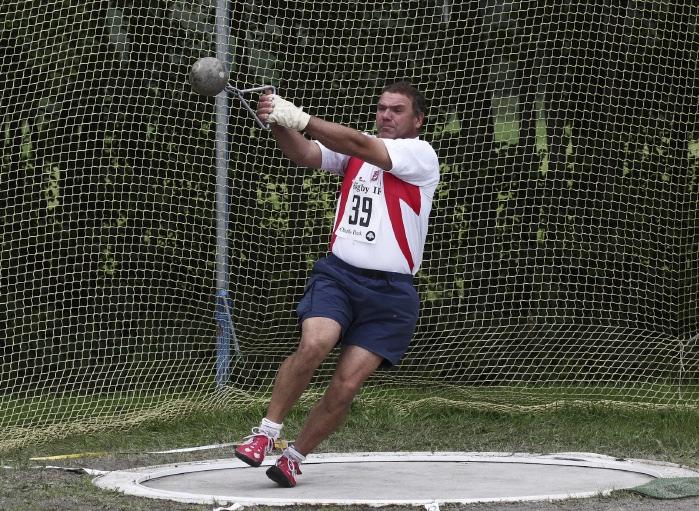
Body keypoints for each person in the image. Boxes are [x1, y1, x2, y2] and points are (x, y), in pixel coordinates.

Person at [234, 81, 440, 487]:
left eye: (397, 110)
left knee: (345, 386)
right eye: (381, 108)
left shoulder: (419, 154)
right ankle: (265, 433)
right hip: (340, 276)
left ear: (418, 120)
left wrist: (301, 117)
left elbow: (360, 144)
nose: (385, 115)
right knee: (315, 343)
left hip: (391, 294)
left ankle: (293, 458)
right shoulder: (358, 154)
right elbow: (305, 152)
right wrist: (277, 120)